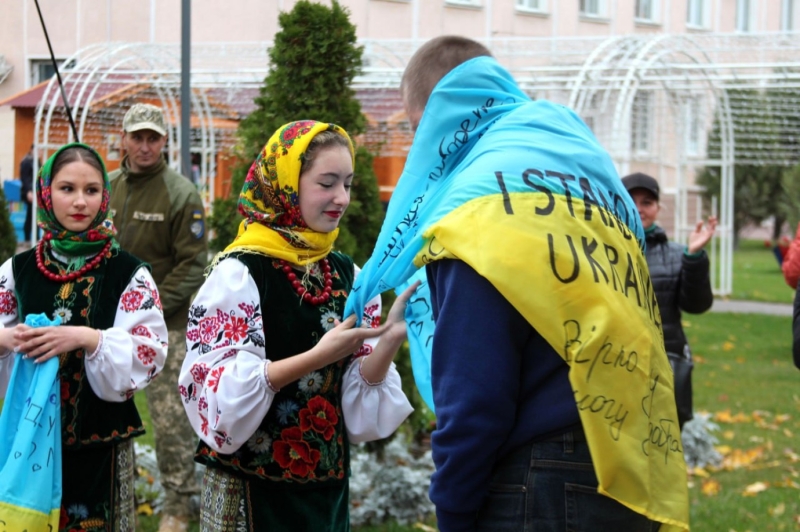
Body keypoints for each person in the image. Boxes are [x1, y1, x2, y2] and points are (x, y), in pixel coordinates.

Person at [345, 36, 690, 531]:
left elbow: (475, 392)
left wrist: (455, 511)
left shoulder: (476, 206)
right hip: (629, 459)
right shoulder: (585, 173)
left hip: (540, 477)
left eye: (421, 132)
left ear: (444, 121)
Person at [178, 120, 414, 531]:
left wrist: (391, 338)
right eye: (327, 183)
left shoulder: (348, 275)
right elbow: (214, 394)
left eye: (348, 183)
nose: (341, 198)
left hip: (324, 490)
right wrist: (317, 357)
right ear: (286, 185)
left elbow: (358, 406)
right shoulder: (239, 274)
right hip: (249, 488)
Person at [0, 143, 168, 530]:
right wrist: (8, 341)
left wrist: (87, 338)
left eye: (91, 190)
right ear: (45, 193)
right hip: (29, 438)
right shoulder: (19, 268)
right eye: (67, 189)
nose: (80, 202)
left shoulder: (128, 272)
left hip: (99, 444)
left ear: (104, 197)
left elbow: (150, 350)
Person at [109, 103, 207, 532]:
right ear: (124, 139)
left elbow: (192, 263)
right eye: (137, 137)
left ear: (164, 141)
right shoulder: (104, 187)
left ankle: (178, 506)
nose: (145, 146)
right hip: (108, 330)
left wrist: (148, 307)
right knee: (108, 413)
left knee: (169, 420)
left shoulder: (181, 193)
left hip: (166, 327)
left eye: (153, 138)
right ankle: (114, 493)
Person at [622, 172, 716, 428]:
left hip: (665, 365)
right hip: (616, 364)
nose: (639, 209)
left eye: (647, 202)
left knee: (663, 447)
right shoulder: (602, 249)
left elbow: (696, 305)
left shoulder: (676, 255)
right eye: (632, 200)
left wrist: (694, 257)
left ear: (658, 208)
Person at [19, 145, 35, 245]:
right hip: (29, 193)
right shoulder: (27, 161)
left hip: (35, 193)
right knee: (30, 216)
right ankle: (27, 239)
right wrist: (28, 191)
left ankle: (36, 238)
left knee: (35, 217)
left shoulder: (37, 161)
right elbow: (24, 178)